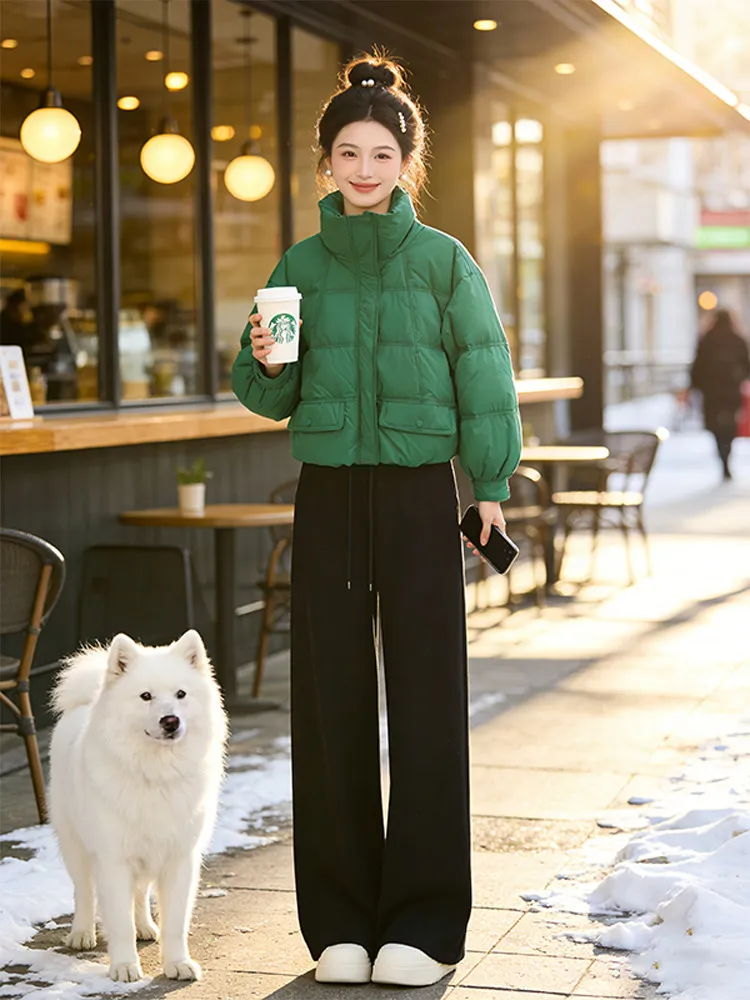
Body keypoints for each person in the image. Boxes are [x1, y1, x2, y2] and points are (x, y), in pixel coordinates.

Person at [232, 54, 521, 988]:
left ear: (408, 161)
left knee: (430, 704)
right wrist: (265, 360)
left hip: (412, 497)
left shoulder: (444, 262)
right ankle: (341, 925)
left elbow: (485, 376)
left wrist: (487, 487)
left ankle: (426, 922)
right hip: (327, 498)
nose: (364, 167)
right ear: (324, 165)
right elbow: (263, 397)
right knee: (331, 709)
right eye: (347, 152)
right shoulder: (298, 266)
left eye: (382, 151)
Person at [689, 308, 750, 480]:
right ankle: (726, 455)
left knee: (716, 425)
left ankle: (722, 457)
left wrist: (696, 386)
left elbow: (697, 366)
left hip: (712, 391)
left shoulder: (707, 339)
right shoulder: (737, 339)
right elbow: (746, 366)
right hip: (730, 391)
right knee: (729, 425)